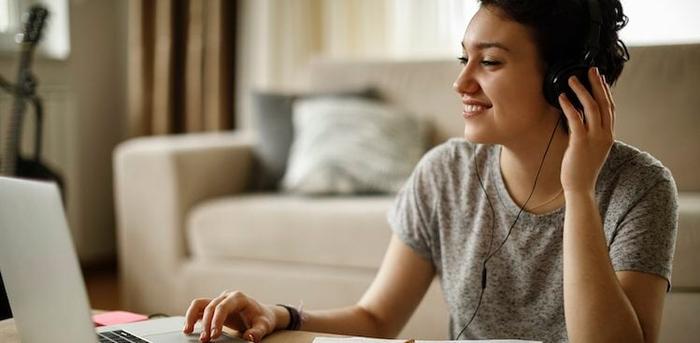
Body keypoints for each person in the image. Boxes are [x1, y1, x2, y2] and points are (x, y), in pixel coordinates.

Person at [183, 0, 678, 342]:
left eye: (490, 62)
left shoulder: (640, 187)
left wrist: (580, 192)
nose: (461, 81)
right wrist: (282, 315)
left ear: (562, 82)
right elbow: (376, 318)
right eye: (465, 58)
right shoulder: (444, 173)